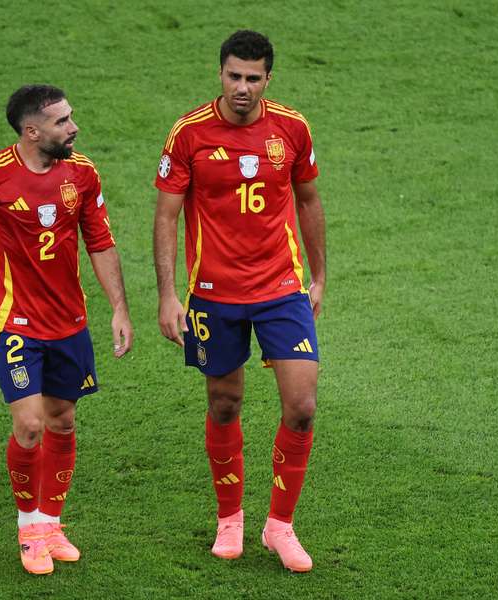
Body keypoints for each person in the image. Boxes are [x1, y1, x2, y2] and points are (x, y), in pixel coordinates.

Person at [0, 84, 133, 576]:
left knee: (63, 421)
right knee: (29, 424)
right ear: (32, 131)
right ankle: (28, 529)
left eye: (70, 117)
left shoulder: (82, 173)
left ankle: (50, 524)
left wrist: (119, 308)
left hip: (69, 322)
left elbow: (100, 241)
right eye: (62, 121)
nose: (74, 127)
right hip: (14, 323)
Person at [153, 30, 326, 572]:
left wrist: (320, 275)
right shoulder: (189, 133)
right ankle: (230, 518)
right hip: (214, 294)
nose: (243, 87)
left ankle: (280, 527)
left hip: (281, 290)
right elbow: (166, 216)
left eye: (253, 78)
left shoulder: (292, 128)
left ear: (268, 78)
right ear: (220, 74)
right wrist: (167, 295)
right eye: (234, 76)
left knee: (301, 406)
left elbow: (308, 200)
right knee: (225, 403)